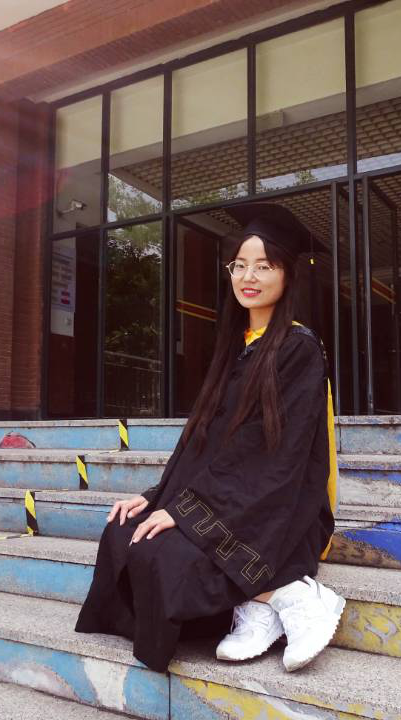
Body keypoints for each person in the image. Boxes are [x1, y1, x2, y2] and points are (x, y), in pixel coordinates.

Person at [75, 202, 342, 674]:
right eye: (239, 265)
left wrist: (187, 513)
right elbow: (204, 442)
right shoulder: (236, 346)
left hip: (274, 505)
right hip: (226, 497)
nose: (248, 277)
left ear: (287, 275)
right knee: (125, 529)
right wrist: (158, 496)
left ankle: (294, 596)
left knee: (161, 551)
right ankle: (262, 603)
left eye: (264, 265)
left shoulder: (298, 347)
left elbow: (272, 454)